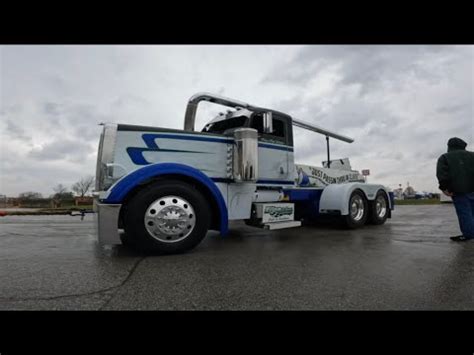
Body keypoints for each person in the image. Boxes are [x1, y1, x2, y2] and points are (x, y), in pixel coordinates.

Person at [436, 137, 474, 242]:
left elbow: (442, 174)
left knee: (464, 213)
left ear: (449, 146)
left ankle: (469, 234)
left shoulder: (445, 157)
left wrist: (444, 188)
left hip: (458, 190)